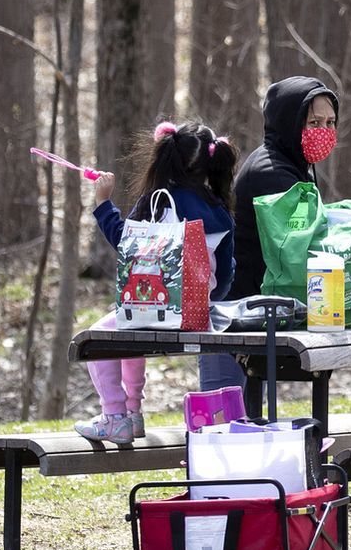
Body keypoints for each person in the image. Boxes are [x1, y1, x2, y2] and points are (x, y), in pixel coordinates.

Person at [199, 76, 351, 391]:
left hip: (254, 314)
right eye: (314, 122)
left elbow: (318, 220)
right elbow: (316, 239)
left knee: (245, 422)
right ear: (289, 120)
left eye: (330, 122)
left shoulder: (293, 163)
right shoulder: (272, 173)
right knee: (221, 421)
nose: (324, 131)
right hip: (233, 315)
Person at [75, 121, 238, 444]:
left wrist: (103, 205)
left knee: (96, 338)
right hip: (199, 315)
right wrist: (208, 299)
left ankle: (116, 415)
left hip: (159, 310)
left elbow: (127, 244)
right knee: (127, 331)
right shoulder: (218, 208)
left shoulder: (159, 201)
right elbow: (228, 271)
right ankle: (131, 413)